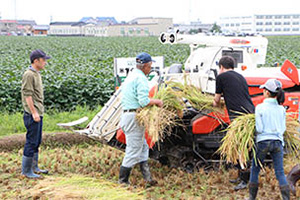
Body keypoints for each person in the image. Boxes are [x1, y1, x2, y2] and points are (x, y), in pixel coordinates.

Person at [118, 52, 163, 186]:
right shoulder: (141, 78)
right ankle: (123, 181)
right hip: (133, 118)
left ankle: (148, 178)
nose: (150, 68)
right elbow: (143, 101)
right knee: (133, 150)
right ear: (146, 66)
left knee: (143, 147)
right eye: (150, 66)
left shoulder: (131, 75)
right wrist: (157, 101)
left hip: (127, 116)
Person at [213, 56, 255, 190]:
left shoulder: (221, 77)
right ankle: (242, 176)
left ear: (221, 67)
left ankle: (245, 180)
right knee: (245, 146)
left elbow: (216, 100)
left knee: (240, 147)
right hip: (249, 113)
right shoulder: (240, 77)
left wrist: (213, 104)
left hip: (238, 117)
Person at [248, 79, 290, 200]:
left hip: (263, 141)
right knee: (280, 172)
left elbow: (259, 128)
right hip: (277, 142)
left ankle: (252, 198)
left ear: (266, 92)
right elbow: (283, 129)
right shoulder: (281, 109)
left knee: (255, 168)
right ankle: (286, 198)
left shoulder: (260, 108)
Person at [21, 49, 50, 178]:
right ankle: (26, 171)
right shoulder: (29, 74)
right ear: (36, 60)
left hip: (38, 111)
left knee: (37, 141)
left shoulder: (37, 73)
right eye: (43, 60)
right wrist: (34, 113)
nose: (45, 63)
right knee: (31, 141)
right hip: (32, 114)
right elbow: (27, 95)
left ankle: (34, 167)